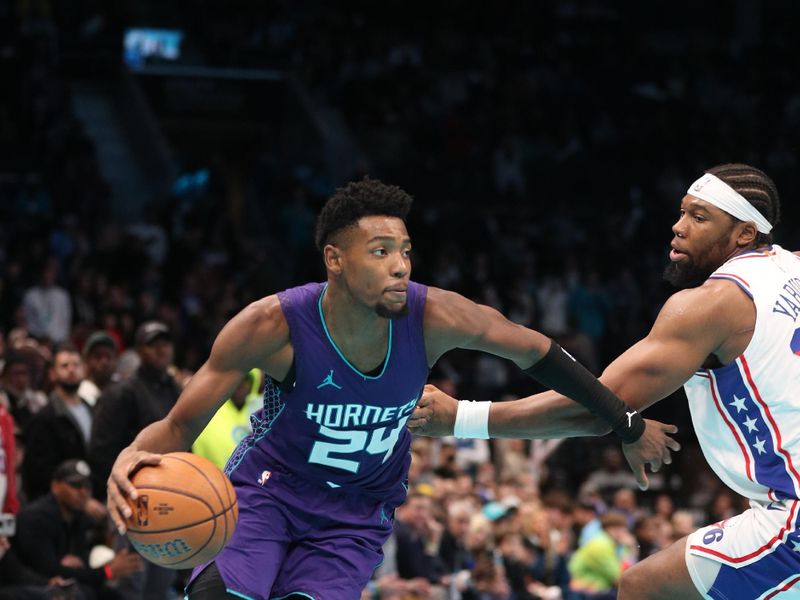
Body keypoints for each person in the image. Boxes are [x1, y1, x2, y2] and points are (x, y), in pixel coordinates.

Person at [105, 178, 673, 600]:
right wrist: (133, 455)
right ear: (335, 260)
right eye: (380, 251)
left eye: (404, 250)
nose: (400, 265)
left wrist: (627, 423)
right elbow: (178, 426)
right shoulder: (270, 326)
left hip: (356, 515)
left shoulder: (436, 316)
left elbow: (539, 352)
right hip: (267, 493)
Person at [411, 163, 798, 599]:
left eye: (700, 217)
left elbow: (596, 406)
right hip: (779, 506)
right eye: (683, 211)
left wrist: (459, 416)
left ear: (745, 233)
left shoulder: (712, 304)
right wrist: (631, 428)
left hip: (791, 514)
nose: (678, 226)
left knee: (645, 587)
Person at [88, 321, 180, 600]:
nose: (162, 349)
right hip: (133, 503)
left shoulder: (173, 390)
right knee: (131, 584)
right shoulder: (122, 393)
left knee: (160, 584)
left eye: (165, 343)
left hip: (172, 500)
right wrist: (115, 495)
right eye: (154, 344)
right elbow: (101, 452)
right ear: (140, 350)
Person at [14, 459, 143, 600]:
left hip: (67, 583)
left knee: (112, 596)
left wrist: (83, 565)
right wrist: (107, 572)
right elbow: (47, 570)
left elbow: (80, 564)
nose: (83, 492)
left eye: (87, 486)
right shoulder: (36, 518)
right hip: (30, 585)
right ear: (55, 486)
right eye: (75, 485)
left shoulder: (78, 515)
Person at [23, 344, 94, 501]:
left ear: (84, 370)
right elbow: (39, 473)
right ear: (52, 374)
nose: (71, 370)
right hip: (60, 503)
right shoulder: (44, 418)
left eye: (76, 365)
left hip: (91, 494)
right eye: (64, 366)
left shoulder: (92, 410)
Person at [191, 368, 262, 469]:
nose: (241, 383)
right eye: (236, 379)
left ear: (252, 383)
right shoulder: (209, 410)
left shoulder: (261, 410)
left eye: (246, 378)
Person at [78, 331, 119, 408]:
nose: (104, 362)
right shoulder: (79, 395)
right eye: (98, 356)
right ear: (86, 361)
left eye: (108, 356)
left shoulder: (123, 392)